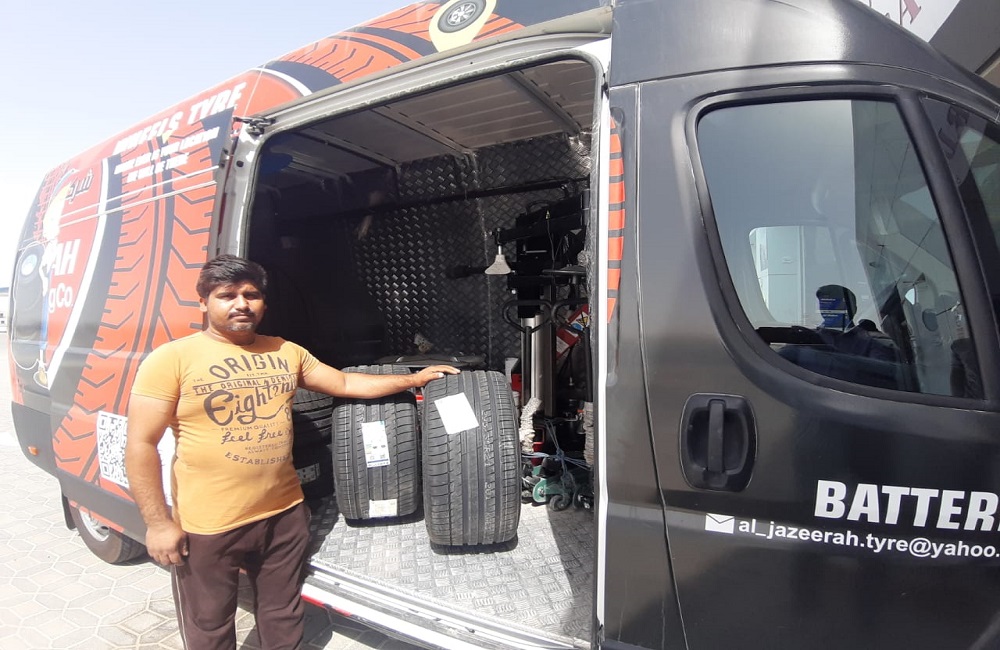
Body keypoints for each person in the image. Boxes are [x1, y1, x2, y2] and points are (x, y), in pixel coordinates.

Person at [124, 254, 459, 650]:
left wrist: (414, 379)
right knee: (209, 625)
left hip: (283, 516)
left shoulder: (285, 351)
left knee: (282, 614)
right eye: (227, 295)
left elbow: (345, 384)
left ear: (263, 303)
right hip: (209, 525)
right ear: (203, 302)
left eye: (251, 295)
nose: (241, 304)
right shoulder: (171, 359)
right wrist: (159, 524)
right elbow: (141, 444)